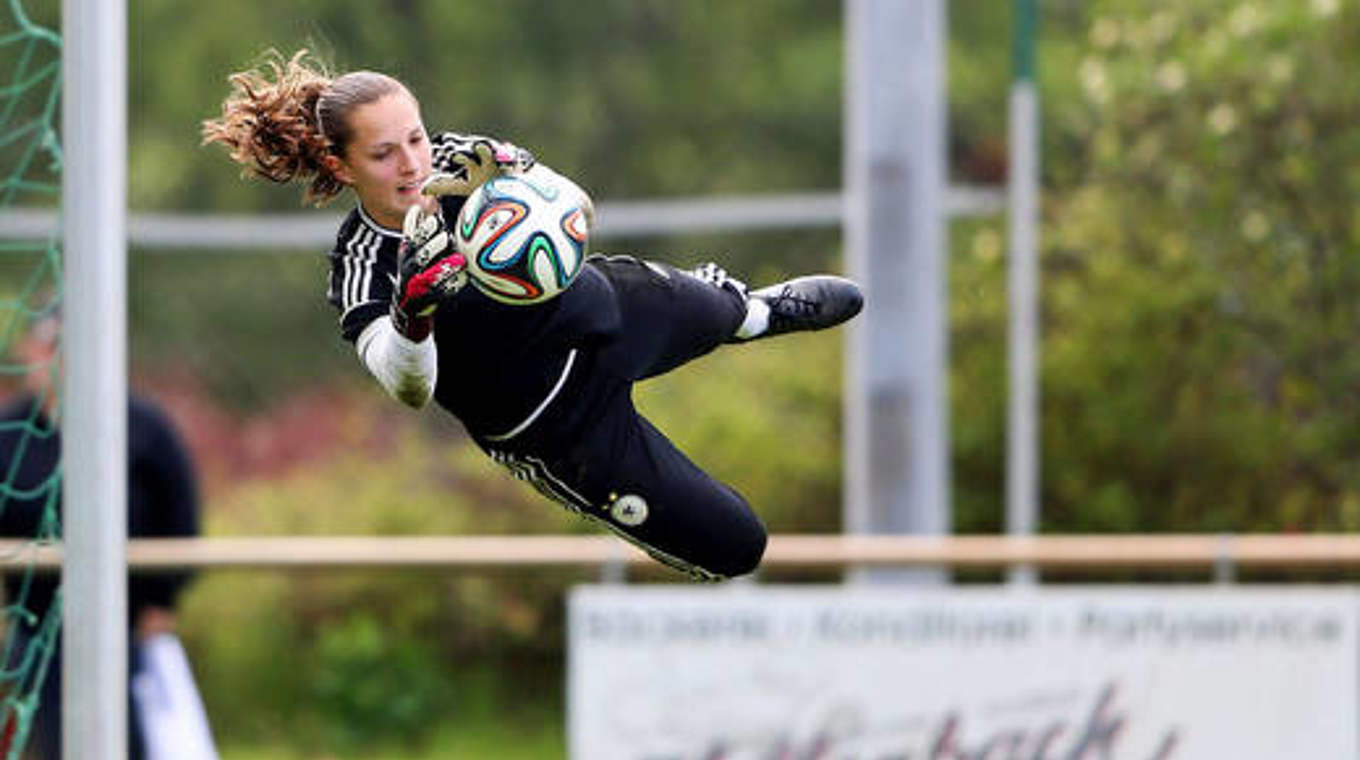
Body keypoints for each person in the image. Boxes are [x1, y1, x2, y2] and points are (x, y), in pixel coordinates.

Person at [201, 50, 863, 581]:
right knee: (737, 546)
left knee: (723, 310)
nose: (412, 162)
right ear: (339, 165)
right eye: (384, 153)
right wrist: (414, 308)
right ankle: (652, 516)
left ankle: (750, 311)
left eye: (415, 137)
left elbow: (576, 214)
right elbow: (409, 388)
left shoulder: (462, 163)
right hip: (555, 425)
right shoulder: (360, 263)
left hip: (601, 314)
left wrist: (522, 169)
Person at [0, 310, 215, 759]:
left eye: (70, 346)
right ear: (28, 352)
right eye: (49, 346)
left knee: (132, 742)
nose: (58, 360)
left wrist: (162, 600)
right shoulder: (8, 432)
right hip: (34, 627)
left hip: (128, 628)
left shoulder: (143, 425)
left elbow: (180, 516)